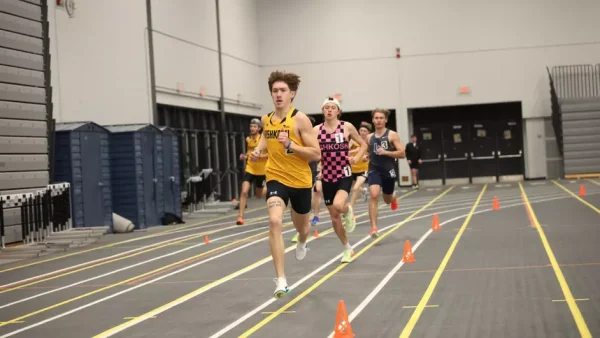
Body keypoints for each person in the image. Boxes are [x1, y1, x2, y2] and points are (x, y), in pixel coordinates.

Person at [250, 70, 320, 299]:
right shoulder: (266, 119)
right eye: (274, 91)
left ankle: (302, 241)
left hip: (300, 180)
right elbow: (265, 139)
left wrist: (291, 145)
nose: (278, 95)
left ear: (292, 93)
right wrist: (258, 150)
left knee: (303, 228)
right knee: (274, 221)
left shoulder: (300, 119)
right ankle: (281, 280)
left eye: (282, 91)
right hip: (275, 177)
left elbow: (315, 154)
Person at [315, 97, 367, 262]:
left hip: (344, 173)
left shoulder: (346, 127)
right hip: (327, 176)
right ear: (323, 111)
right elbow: (313, 151)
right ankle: (347, 248)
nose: (329, 110)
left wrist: (357, 157)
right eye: (326, 108)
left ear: (338, 111)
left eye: (332, 107)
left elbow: (363, 144)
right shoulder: (316, 130)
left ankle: (348, 209)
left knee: (338, 206)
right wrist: (318, 168)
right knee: (334, 217)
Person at [366, 108, 405, 238]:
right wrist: (366, 156)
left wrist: (386, 152)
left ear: (386, 120)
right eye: (376, 118)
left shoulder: (392, 135)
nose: (378, 120)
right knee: (374, 194)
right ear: (373, 120)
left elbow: (402, 153)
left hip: (389, 170)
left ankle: (393, 197)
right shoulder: (369, 137)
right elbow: (367, 152)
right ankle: (374, 228)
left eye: (381, 118)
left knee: (387, 200)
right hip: (374, 170)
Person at [236, 119, 268, 225]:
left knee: (259, 195)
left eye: (254, 126)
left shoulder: (263, 140)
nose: (252, 128)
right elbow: (249, 153)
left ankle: (267, 188)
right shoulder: (248, 139)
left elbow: (270, 154)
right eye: (251, 126)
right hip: (250, 168)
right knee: (244, 191)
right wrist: (244, 156)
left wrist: (260, 156)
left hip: (261, 171)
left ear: (259, 128)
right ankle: (240, 217)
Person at [348, 121, 372, 208]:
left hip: (363, 169)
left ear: (368, 132)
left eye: (365, 131)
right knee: (354, 186)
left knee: (355, 188)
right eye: (361, 130)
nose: (362, 133)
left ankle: (351, 208)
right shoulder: (353, 140)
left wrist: (366, 157)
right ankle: (364, 191)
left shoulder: (369, 142)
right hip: (352, 168)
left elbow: (371, 153)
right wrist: (353, 151)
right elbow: (346, 150)